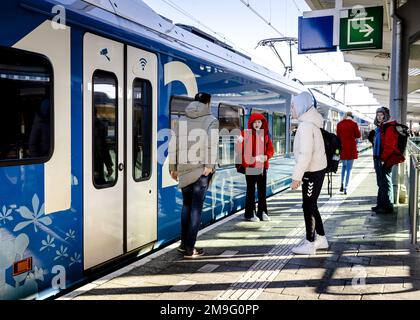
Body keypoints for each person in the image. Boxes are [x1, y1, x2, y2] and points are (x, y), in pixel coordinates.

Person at [169, 92, 219, 259]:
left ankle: (183, 245)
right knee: (196, 208)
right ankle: (191, 249)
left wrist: (172, 167)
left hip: (184, 169)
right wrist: (210, 166)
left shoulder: (182, 120)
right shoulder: (211, 120)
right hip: (201, 171)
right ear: (208, 102)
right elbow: (212, 144)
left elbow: (173, 144)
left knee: (186, 206)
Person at [290, 92, 329, 255]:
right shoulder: (310, 123)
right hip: (316, 170)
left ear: (301, 106)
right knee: (311, 205)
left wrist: (296, 177)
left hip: (312, 172)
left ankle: (309, 243)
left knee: (308, 206)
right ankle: (321, 238)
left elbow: (305, 154)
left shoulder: (306, 125)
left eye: (293, 106)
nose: (291, 109)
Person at [236, 113, 274, 222]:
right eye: (255, 122)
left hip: (262, 167)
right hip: (251, 166)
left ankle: (262, 212)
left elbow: (271, 149)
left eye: (259, 122)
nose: (257, 124)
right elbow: (239, 150)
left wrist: (266, 156)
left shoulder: (265, 135)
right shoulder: (245, 134)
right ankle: (250, 213)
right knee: (251, 190)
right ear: (251, 123)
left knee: (262, 191)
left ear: (262, 123)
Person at [370, 107, 395, 214]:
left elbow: (389, 145)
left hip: (383, 159)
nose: (379, 117)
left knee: (385, 182)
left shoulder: (388, 128)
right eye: (378, 115)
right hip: (377, 158)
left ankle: (388, 205)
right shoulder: (378, 128)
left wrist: (384, 159)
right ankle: (380, 204)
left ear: (386, 115)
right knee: (380, 182)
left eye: (381, 115)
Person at [336, 111, 361, 195]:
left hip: (343, 148)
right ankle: (346, 187)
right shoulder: (354, 124)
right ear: (352, 116)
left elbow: (338, 136)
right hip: (351, 149)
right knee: (349, 169)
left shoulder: (339, 124)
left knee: (344, 166)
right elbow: (358, 135)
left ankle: (342, 184)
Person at [93, 106, 114, 185]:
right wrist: (109, 165)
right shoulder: (98, 124)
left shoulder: (82, 123)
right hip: (96, 162)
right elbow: (101, 147)